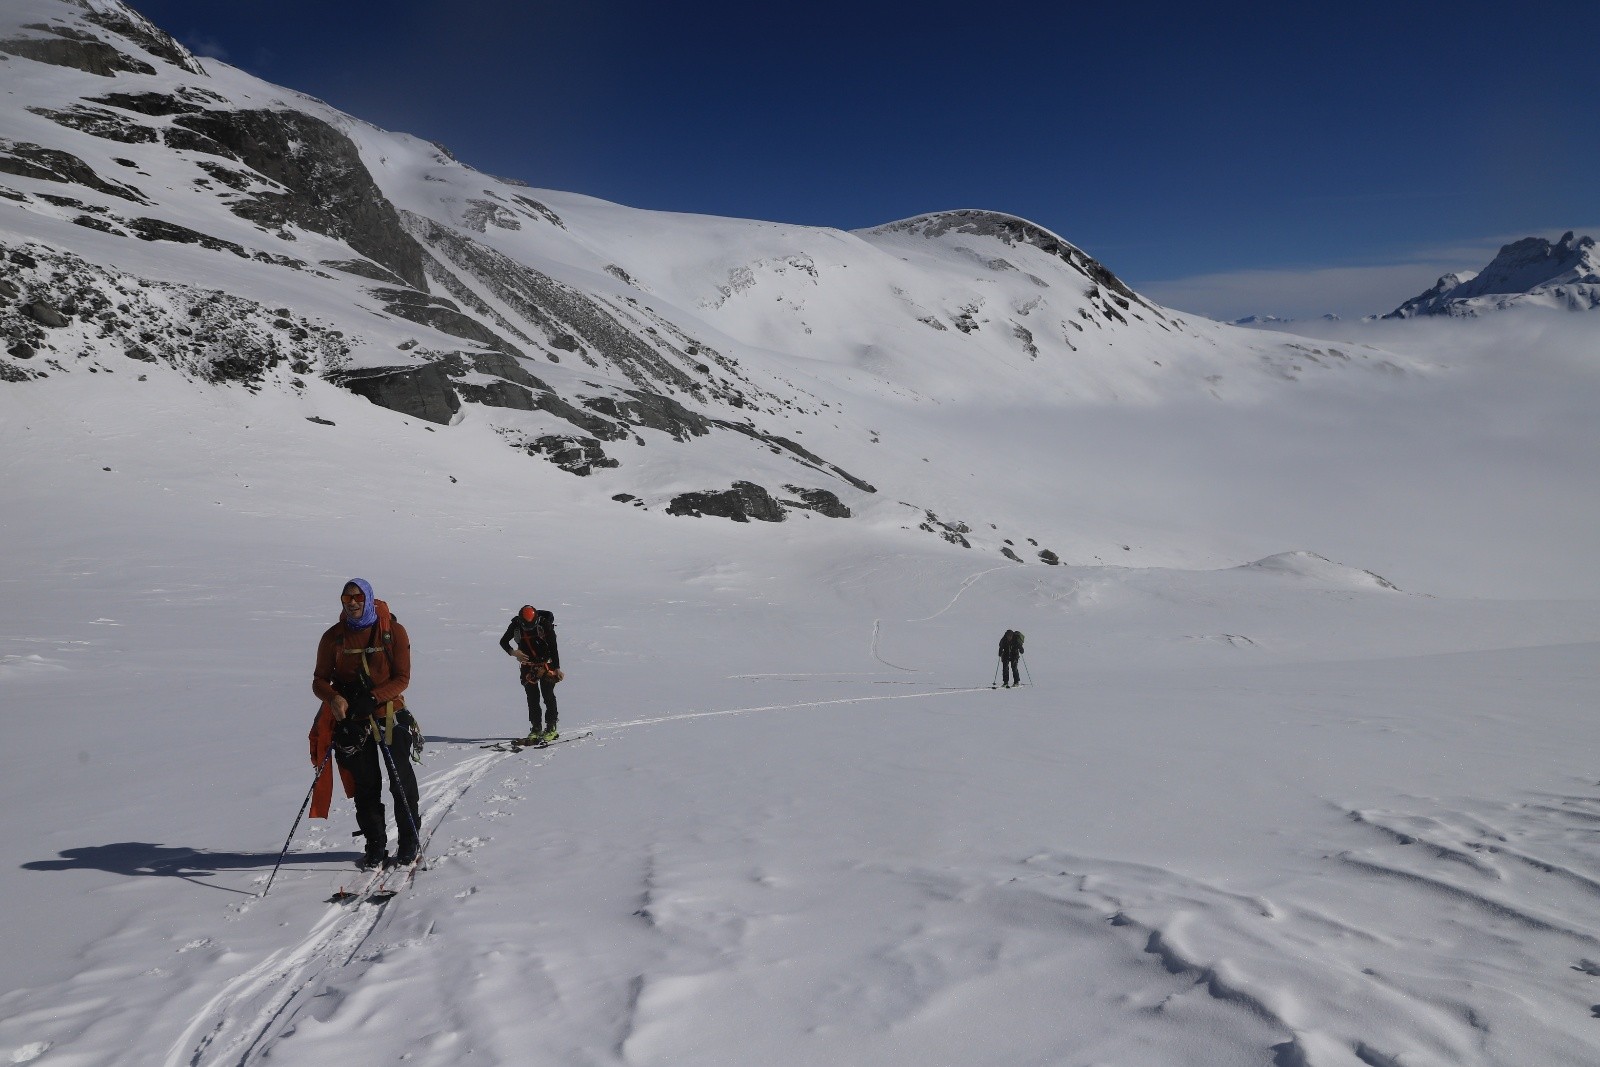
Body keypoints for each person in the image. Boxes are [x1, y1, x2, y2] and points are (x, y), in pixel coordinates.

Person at [310, 578, 421, 869]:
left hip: (389, 714)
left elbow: (402, 678)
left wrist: (372, 697)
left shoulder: (392, 632)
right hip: (352, 721)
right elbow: (319, 679)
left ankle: (409, 842)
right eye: (347, 599)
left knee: (400, 780)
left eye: (358, 597)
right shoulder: (333, 637)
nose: (353, 603)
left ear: (369, 598)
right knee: (366, 785)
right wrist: (334, 699)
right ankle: (375, 844)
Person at [500, 604, 563, 743]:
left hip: (547, 664)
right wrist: (513, 652)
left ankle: (551, 727)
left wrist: (557, 668)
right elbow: (503, 641)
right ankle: (536, 728)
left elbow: (553, 647)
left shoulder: (545, 625)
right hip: (528, 666)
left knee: (547, 695)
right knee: (532, 697)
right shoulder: (516, 625)